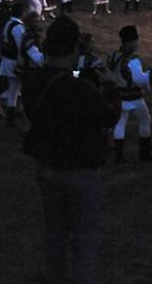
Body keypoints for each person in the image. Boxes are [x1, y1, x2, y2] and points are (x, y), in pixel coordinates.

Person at [21, 16, 121, 284]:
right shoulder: (80, 89)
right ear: (74, 49)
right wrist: (110, 86)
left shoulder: (33, 82)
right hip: (79, 171)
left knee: (54, 232)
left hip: (46, 167)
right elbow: (110, 117)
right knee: (84, 239)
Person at [106, 25, 152, 163]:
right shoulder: (133, 60)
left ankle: (119, 156)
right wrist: (150, 75)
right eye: (135, 41)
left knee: (120, 124)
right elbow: (139, 80)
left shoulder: (113, 55)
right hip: (133, 96)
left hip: (118, 95)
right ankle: (145, 154)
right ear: (129, 42)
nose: (137, 44)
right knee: (145, 119)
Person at [0, 3, 45, 127]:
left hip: (11, 60)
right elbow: (24, 48)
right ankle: (24, 121)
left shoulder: (9, 23)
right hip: (18, 63)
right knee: (26, 94)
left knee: (14, 90)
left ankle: (11, 117)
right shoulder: (19, 29)